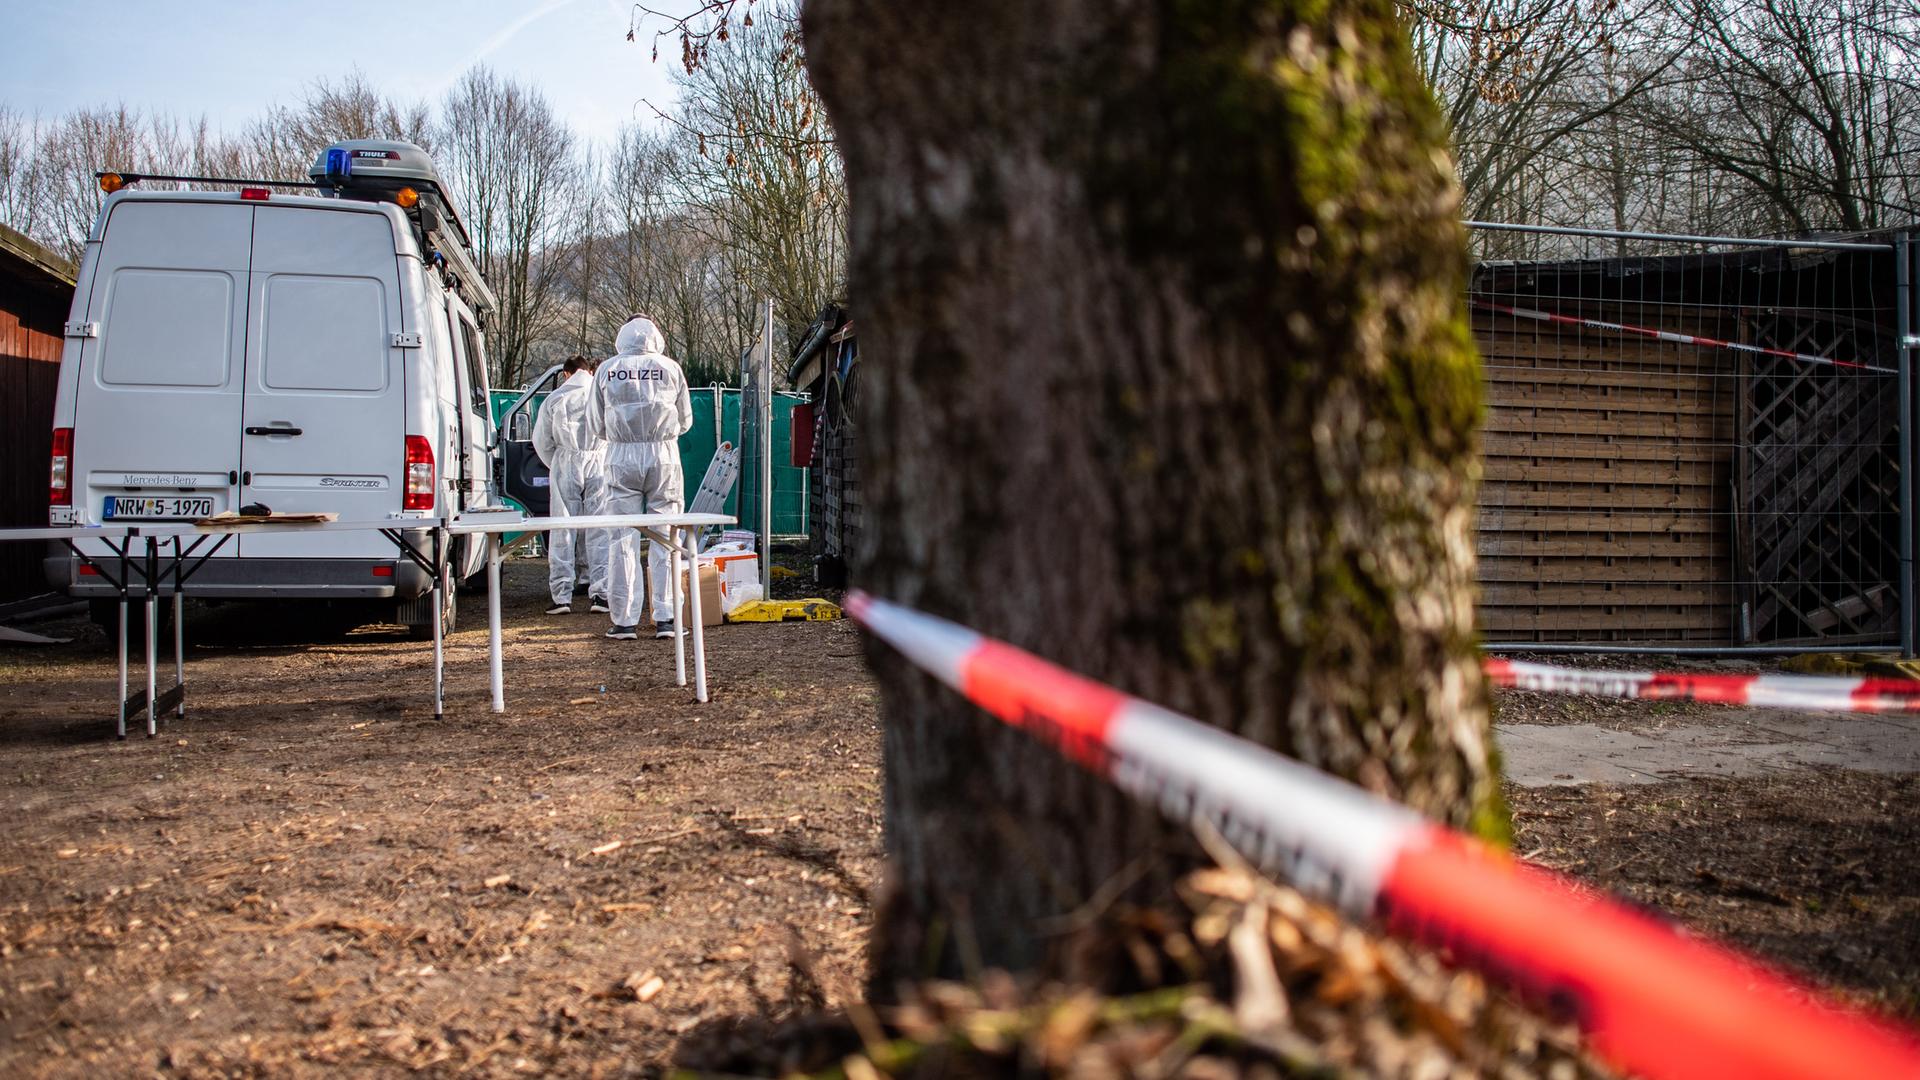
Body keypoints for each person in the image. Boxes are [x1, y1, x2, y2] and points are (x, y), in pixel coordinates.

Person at [587, 315, 693, 640]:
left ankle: (624, 621)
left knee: (621, 538)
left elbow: (595, 423)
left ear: (622, 335)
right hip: (663, 455)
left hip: (621, 457)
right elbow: (685, 419)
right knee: (667, 536)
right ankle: (667, 618)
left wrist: (622, 436)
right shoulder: (670, 368)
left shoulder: (607, 369)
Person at [531, 355, 609, 615]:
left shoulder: (555, 398)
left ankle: (562, 596)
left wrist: (557, 463)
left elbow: (542, 440)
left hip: (566, 460)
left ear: (566, 374)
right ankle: (600, 594)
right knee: (599, 527)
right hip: (598, 460)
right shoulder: (601, 394)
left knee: (563, 528)